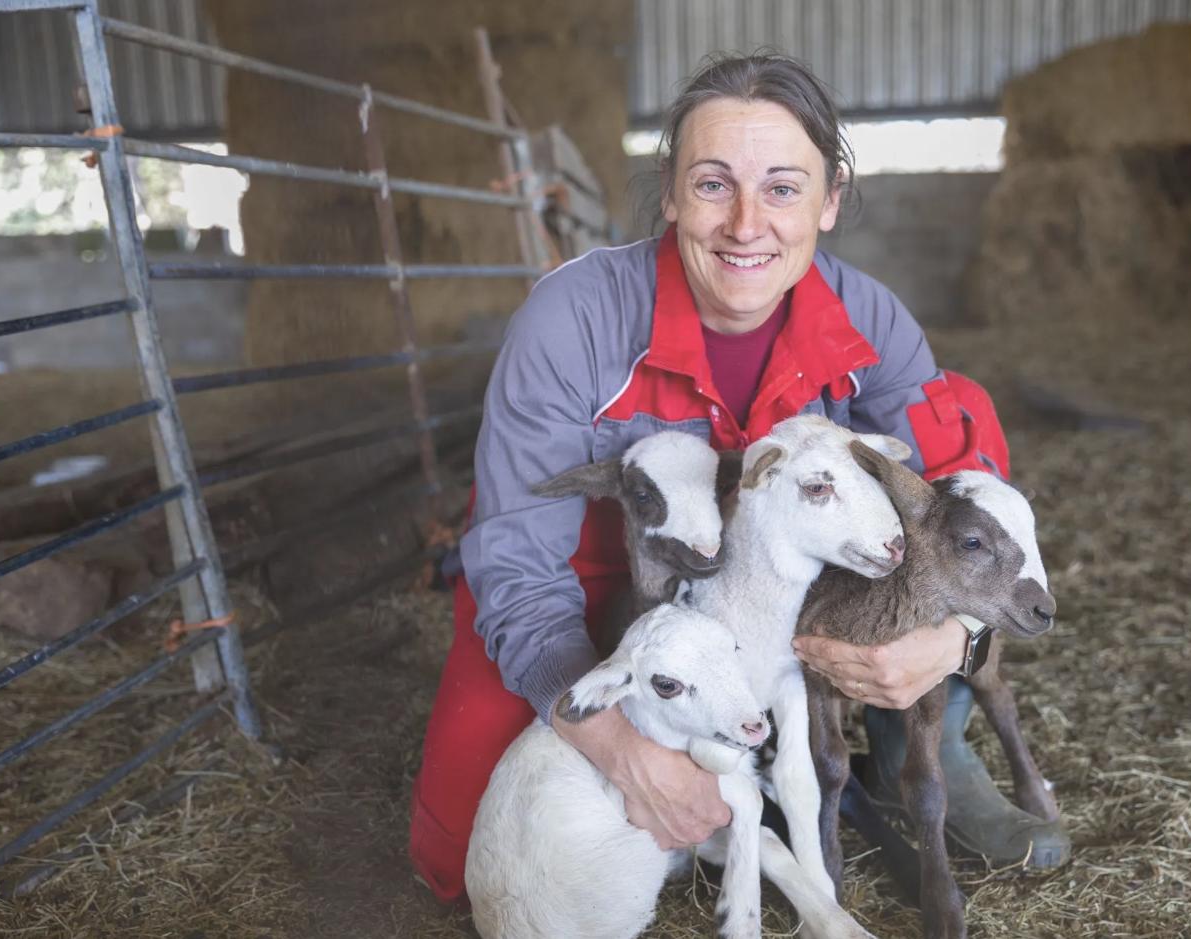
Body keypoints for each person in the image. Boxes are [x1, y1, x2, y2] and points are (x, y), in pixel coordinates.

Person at [408, 52, 1069, 904]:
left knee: (963, 418)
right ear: (672, 192)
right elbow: (515, 567)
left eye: (784, 189)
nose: (746, 224)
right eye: (714, 185)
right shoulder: (571, 319)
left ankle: (914, 735)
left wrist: (952, 643)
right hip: (602, 583)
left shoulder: (871, 322)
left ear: (830, 200)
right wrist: (624, 748)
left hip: (795, 595)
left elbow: (969, 509)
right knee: (460, 857)